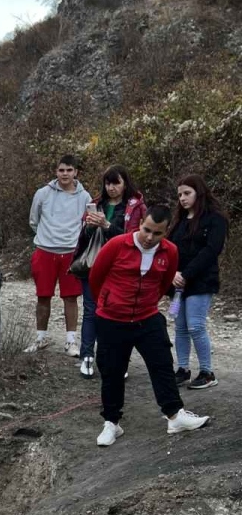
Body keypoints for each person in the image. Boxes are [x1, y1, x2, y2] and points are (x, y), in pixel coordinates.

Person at [88, 205, 211, 447]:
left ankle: (174, 415)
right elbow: (96, 278)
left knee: (162, 364)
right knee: (112, 371)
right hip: (112, 318)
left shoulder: (170, 251)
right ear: (140, 223)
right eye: (146, 230)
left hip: (147, 316)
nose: (149, 237)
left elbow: (165, 283)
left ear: (166, 233)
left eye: (157, 233)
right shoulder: (117, 245)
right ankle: (112, 423)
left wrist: (148, 304)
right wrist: (109, 302)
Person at [72, 165, 147, 378]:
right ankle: (87, 355)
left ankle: (116, 358)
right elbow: (83, 239)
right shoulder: (96, 204)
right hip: (94, 265)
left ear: (125, 184)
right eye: (108, 183)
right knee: (90, 310)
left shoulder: (135, 207)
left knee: (117, 313)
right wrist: (89, 227)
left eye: (116, 183)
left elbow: (133, 238)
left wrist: (106, 225)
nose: (111, 187)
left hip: (120, 267)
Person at [27, 155, 92, 356]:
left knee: (71, 298)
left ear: (76, 172)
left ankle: (71, 342)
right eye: (62, 170)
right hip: (45, 251)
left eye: (69, 170)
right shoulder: (43, 193)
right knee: (43, 296)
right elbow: (34, 220)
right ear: (56, 172)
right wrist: (47, 237)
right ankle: (40, 338)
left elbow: (87, 224)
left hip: (71, 254)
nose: (65, 174)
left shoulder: (85, 197)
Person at [169, 174, 227, 390]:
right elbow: (170, 248)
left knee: (195, 325)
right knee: (180, 327)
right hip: (178, 284)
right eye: (180, 195)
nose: (183, 198)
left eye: (187, 193)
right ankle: (183, 369)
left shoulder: (215, 219)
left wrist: (186, 274)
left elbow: (211, 251)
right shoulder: (179, 222)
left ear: (198, 193)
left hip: (201, 281)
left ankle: (207, 372)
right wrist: (173, 273)